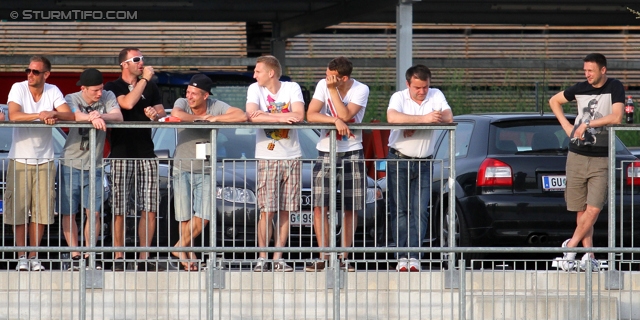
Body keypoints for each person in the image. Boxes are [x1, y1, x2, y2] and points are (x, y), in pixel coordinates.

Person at [549, 53, 625, 271]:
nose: (587, 75)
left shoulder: (615, 87)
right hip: (577, 156)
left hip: (601, 158)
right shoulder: (580, 88)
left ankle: (570, 248)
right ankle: (588, 255)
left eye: (591, 71)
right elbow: (554, 101)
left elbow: (617, 117)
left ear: (603, 70)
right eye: (585, 71)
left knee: (593, 209)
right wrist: (566, 126)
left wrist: (588, 123)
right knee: (581, 210)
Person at [169, 74, 247, 271]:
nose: (189, 96)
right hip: (182, 167)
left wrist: (215, 118)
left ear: (206, 95)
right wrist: (201, 120)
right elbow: (177, 114)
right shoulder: (182, 102)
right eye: (188, 92)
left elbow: (241, 115)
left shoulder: (215, 105)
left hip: (205, 169)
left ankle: (178, 248)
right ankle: (188, 256)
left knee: (204, 216)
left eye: (194, 93)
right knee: (184, 216)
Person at [4, 55, 74, 271]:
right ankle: (21, 257)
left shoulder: (53, 90)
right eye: (28, 70)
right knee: (18, 210)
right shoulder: (18, 87)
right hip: (19, 158)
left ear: (46, 74)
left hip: (45, 159)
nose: (30, 75)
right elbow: (14, 116)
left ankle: (34, 256)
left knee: (41, 211)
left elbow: (69, 116)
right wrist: (42, 115)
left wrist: (53, 113)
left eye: (35, 71)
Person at [104, 47, 167, 271]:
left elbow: (161, 112)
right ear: (124, 64)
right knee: (119, 208)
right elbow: (127, 103)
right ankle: (119, 256)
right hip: (121, 154)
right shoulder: (113, 87)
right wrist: (144, 80)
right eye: (137, 59)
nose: (142, 63)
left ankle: (144, 257)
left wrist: (155, 114)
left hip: (146, 154)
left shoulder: (150, 86)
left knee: (149, 207)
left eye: (143, 59)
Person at [386, 65, 453, 272]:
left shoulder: (436, 94)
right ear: (408, 85)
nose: (422, 91)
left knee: (420, 211)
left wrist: (412, 124)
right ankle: (401, 257)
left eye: (425, 87)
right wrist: (424, 120)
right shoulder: (398, 96)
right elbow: (392, 118)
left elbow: (448, 117)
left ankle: (414, 257)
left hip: (424, 162)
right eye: (417, 87)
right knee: (400, 210)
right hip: (399, 159)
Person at [305, 56, 369, 272]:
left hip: (352, 150)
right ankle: (324, 255)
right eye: (326, 75)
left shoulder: (360, 89)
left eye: (331, 76)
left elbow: (345, 114)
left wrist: (333, 96)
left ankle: (344, 257)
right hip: (325, 150)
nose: (326, 79)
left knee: (351, 207)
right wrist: (333, 120)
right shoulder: (322, 84)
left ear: (343, 78)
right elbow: (311, 114)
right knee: (319, 205)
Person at [59, 68, 123, 271]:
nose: (99, 93)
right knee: (69, 212)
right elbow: (73, 115)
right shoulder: (72, 97)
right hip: (71, 162)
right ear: (83, 88)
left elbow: (118, 116)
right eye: (95, 90)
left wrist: (100, 114)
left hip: (95, 164)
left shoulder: (108, 95)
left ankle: (90, 254)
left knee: (93, 212)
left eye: (101, 89)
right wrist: (90, 118)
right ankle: (75, 255)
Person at [246, 55, 305, 272]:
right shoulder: (255, 89)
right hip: (267, 156)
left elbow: (299, 115)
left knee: (285, 210)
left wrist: (267, 115)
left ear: (271, 73)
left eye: (258, 71)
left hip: (292, 156)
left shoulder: (292, 88)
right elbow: (251, 116)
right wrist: (281, 117)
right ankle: (262, 258)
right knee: (267, 211)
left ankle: (278, 258)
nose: (254, 75)